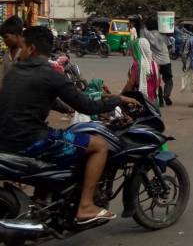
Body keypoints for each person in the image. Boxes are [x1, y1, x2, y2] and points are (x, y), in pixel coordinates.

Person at [0, 26, 139, 224]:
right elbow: (88, 106)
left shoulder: (15, 71)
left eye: (22, 46)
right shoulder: (51, 74)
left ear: (31, 49)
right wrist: (117, 99)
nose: (20, 50)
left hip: (7, 138)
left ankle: (48, 198)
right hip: (32, 140)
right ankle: (86, 206)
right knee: (99, 145)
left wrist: (65, 108)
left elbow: (38, 96)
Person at [140, 17, 173, 106]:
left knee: (156, 81)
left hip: (154, 62)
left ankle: (160, 101)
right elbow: (169, 45)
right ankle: (166, 95)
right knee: (168, 80)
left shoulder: (146, 34)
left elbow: (142, 31)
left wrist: (142, 21)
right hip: (165, 61)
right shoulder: (163, 34)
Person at [123, 34, 161, 105]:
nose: (131, 52)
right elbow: (158, 82)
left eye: (132, 49)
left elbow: (131, 83)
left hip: (140, 100)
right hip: (153, 100)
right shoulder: (154, 63)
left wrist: (121, 95)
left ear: (138, 50)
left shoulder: (136, 64)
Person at [0, 15, 24, 89]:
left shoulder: (26, 53)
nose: (4, 41)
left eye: (6, 37)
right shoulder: (7, 54)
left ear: (16, 35)